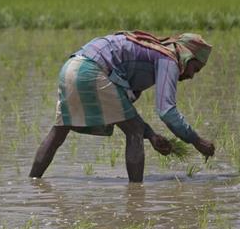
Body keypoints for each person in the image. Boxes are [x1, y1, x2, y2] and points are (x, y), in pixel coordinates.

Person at [30, 31, 216, 182]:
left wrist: (151, 135)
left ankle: (33, 183)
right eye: (195, 69)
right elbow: (166, 111)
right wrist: (196, 141)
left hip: (71, 67)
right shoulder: (168, 59)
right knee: (134, 130)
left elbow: (124, 109)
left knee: (59, 131)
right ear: (187, 56)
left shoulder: (149, 51)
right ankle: (136, 195)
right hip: (93, 69)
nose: (192, 76)